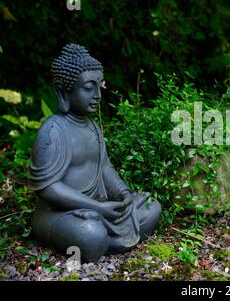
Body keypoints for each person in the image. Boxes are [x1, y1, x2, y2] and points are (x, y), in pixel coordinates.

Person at [30, 44, 161, 263]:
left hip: (99, 207)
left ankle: (108, 241)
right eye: (88, 88)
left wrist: (124, 194)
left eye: (99, 86)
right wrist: (97, 208)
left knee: (151, 208)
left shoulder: (92, 127)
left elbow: (105, 168)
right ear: (63, 92)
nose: (98, 95)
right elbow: (47, 188)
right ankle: (108, 242)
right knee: (91, 234)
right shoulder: (53, 130)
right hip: (59, 213)